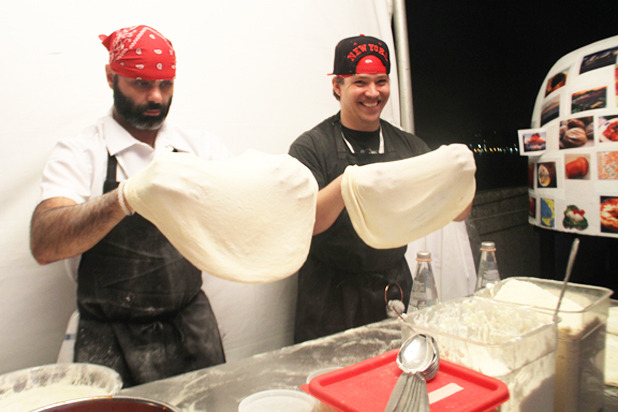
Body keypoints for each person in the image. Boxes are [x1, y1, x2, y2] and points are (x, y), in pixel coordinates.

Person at [29, 25, 227, 386]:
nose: (155, 96)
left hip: (192, 332)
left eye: (165, 84)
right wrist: (124, 198)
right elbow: (44, 243)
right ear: (111, 77)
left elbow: (238, 216)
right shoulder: (80, 152)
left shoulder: (198, 148)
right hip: (109, 341)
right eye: (140, 83)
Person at [288, 35, 471, 343]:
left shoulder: (408, 146)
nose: (373, 93)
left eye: (381, 81)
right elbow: (305, 223)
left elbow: (456, 214)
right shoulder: (311, 147)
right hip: (329, 295)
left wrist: (462, 177)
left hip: (393, 287)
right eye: (360, 82)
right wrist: (349, 184)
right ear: (337, 86)